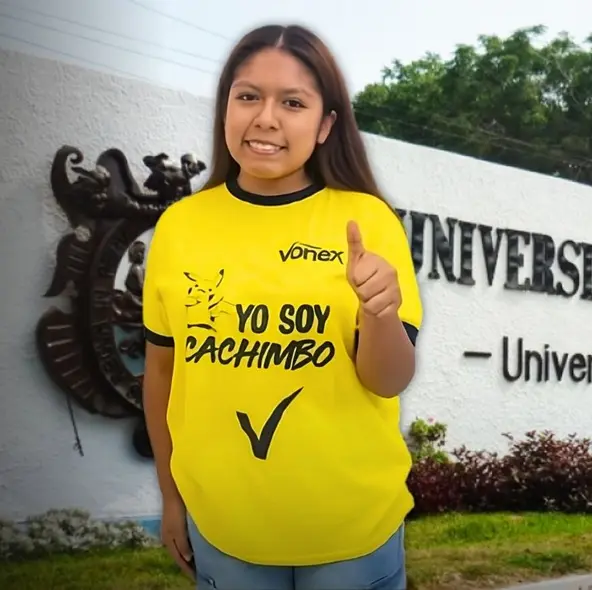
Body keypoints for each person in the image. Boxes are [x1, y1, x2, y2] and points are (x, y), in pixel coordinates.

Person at [141, 23, 422, 590]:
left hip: (352, 529)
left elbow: (388, 380)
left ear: (324, 126)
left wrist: (380, 311)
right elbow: (163, 375)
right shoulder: (181, 227)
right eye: (248, 96)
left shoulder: (366, 221)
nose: (265, 118)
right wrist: (172, 498)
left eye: (292, 103)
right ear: (225, 110)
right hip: (224, 527)